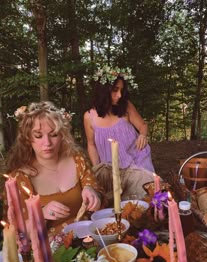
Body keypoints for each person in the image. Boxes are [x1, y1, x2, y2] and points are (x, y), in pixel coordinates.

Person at [3, 101, 104, 237]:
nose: (47, 143)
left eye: (54, 134)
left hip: (90, 239)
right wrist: (40, 215)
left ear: (62, 135)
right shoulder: (19, 179)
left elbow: (100, 197)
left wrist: (94, 193)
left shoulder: (77, 159)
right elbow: (12, 232)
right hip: (50, 254)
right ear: (28, 138)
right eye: (38, 136)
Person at [84, 65, 156, 202]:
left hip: (136, 160)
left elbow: (143, 125)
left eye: (121, 90)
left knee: (145, 198)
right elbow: (91, 144)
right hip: (111, 167)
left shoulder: (126, 106)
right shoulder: (89, 117)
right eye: (115, 90)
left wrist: (142, 135)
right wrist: (97, 168)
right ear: (103, 91)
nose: (120, 95)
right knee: (112, 203)